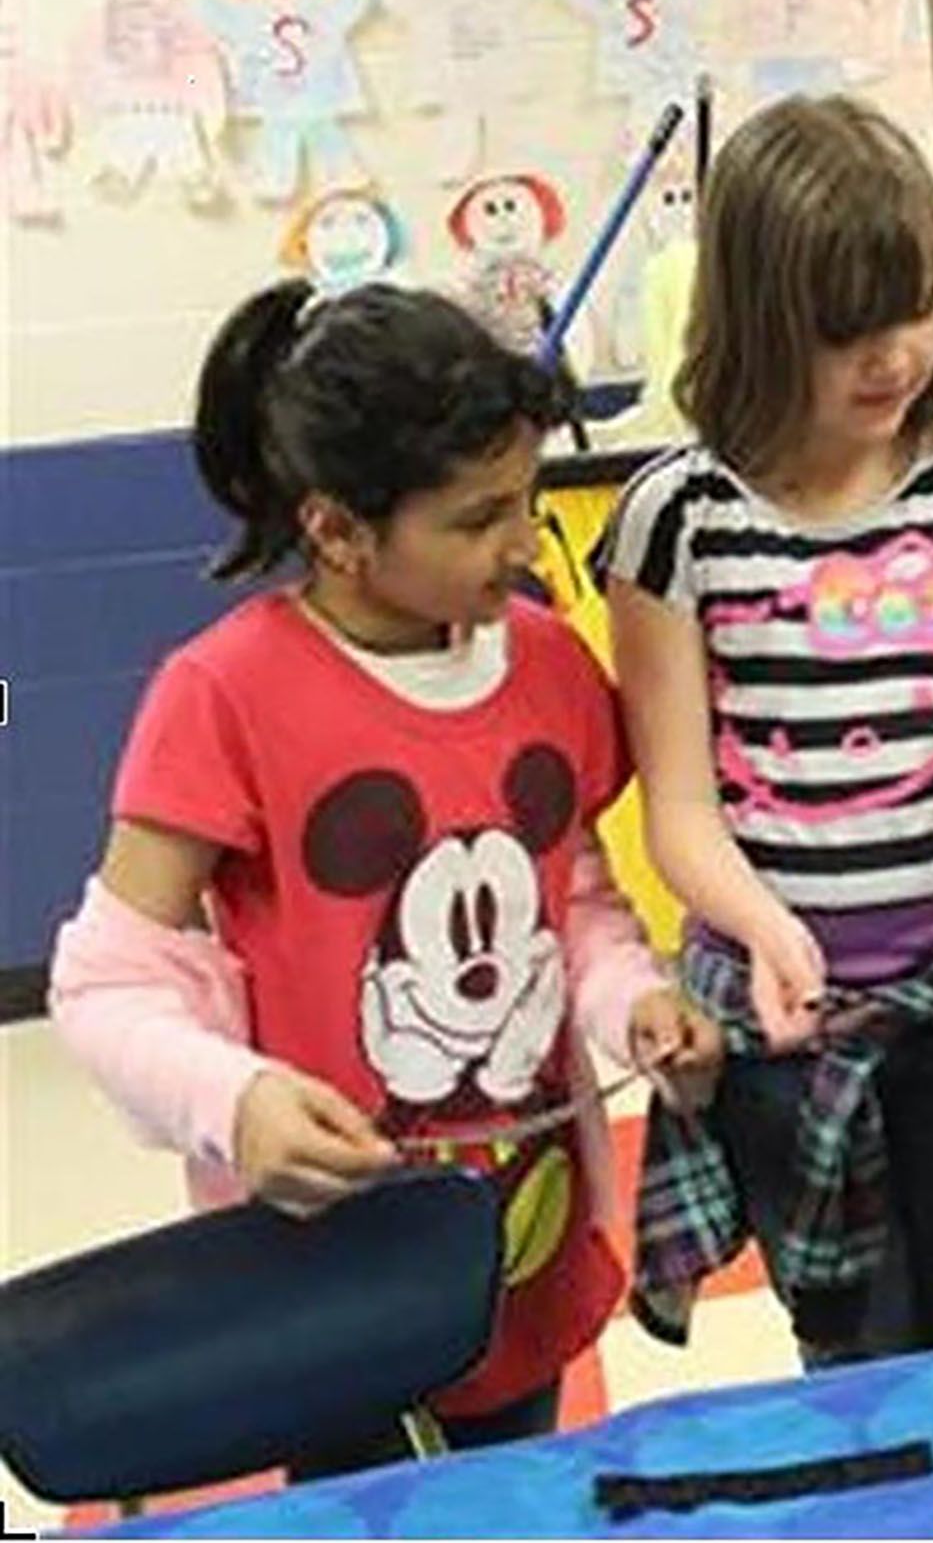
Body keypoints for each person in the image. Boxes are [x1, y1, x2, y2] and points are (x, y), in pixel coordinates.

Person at [47, 278, 718, 1480]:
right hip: (331, 1286)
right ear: (338, 532)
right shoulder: (222, 697)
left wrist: (632, 1000)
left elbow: (572, 899)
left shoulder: (551, 665)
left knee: (510, 1493)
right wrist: (235, 1100)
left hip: (520, 1249)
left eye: (525, 500)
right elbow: (105, 986)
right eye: (477, 518)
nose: (525, 544)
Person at [599, 95, 933, 1368]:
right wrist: (764, 926)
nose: (891, 357)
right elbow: (679, 803)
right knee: (850, 1340)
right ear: (758, 320)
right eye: (845, 331)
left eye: (917, 309)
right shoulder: (676, 522)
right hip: (789, 1021)